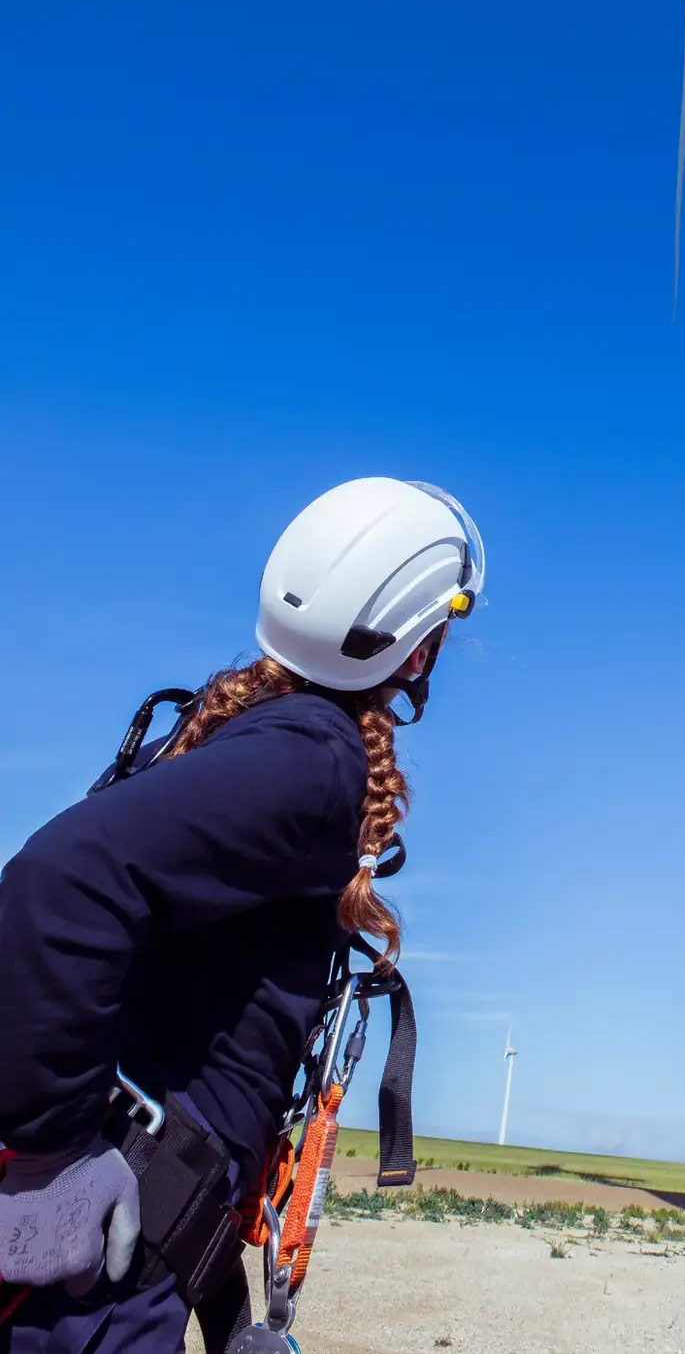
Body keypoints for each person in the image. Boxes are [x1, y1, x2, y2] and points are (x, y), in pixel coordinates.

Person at [0, 475, 484, 1354]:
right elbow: (60, 882)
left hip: (128, 1235)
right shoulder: (312, 760)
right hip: (96, 1261)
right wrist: (50, 1156)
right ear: (416, 654)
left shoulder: (236, 734)